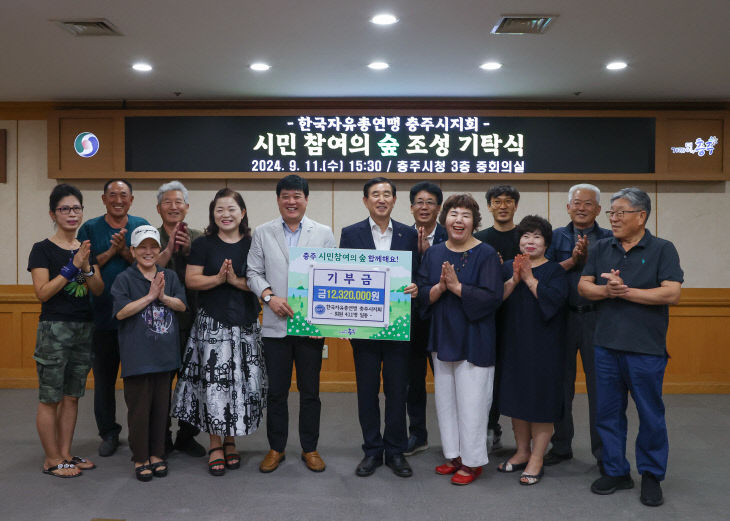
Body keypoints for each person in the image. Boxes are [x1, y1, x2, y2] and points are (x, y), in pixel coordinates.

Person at [578, 188, 683, 507]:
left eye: (620, 212)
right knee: (607, 413)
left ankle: (651, 475)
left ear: (641, 216)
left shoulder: (663, 249)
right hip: (606, 345)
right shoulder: (600, 247)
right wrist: (606, 291)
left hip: (646, 348)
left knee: (650, 414)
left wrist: (625, 292)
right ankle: (616, 470)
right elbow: (584, 286)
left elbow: (671, 294)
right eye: (611, 213)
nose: (614, 218)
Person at [171, 188, 267, 477]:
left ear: (243, 212)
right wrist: (217, 279)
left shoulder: (253, 243)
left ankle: (230, 440)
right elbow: (191, 280)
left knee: (238, 385)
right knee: (213, 386)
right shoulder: (203, 244)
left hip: (245, 325)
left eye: (231, 209)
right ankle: (214, 443)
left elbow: (262, 282)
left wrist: (235, 281)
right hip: (211, 325)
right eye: (219, 210)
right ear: (213, 214)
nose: (225, 215)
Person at [247, 175, 336, 473]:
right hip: (275, 324)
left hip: (311, 326)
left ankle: (310, 448)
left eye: (297, 196)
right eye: (286, 196)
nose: (291, 201)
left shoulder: (323, 232)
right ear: (278, 200)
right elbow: (252, 273)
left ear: (306, 200)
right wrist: (269, 296)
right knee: (277, 392)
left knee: (310, 391)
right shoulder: (263, 232)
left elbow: (332, 275)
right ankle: (276, 448)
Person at [416, 194, 502, 485]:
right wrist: (441, 287)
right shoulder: (434, 252)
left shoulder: (486, 253)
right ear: (445, 220)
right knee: (446, 401)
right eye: (453, 214)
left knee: (473, 403)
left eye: (465, 215)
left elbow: (492, 298)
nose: (459, 220)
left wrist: (457, 287)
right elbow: (424, 294)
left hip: (475, 338)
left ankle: (472, 461)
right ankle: (453, 455)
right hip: (443, 336)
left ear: (474, 222)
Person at [339, 177, 419, 478]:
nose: (381, 199)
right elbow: (343, 277)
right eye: (375, 194)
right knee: (367, 391)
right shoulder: (351, 233)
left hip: (399, 326)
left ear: (395, 201)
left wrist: (417, 287)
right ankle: (372, 451)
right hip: (364, 329)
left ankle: (396, 451)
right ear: (365, 201)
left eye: (387, 194)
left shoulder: (410, 235)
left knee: (398, 391)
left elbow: (421, 273)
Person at [29, 184, 104, 477]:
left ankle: (65, 453)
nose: (72, 214)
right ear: (53, 214)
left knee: (72, 396)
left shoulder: (85, 248)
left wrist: (85, 266)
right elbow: (43, 293)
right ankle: (51, 459)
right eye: (65, 209)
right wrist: (71, 267)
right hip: (54, 329)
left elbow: (97, 288)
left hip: (84, 327)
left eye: (76, 208)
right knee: (51, 397)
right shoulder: (42, 249)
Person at [77, 179, 150, 457]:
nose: (118, 200)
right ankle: (108, 432)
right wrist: (111, 251)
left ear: (131, 200)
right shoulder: (90, 228)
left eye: (124, 195)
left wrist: (125, 252)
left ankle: (138, 434)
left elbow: (149, 263)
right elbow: (85, 266)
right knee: (105, 381)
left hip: (137, 318)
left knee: (137, 381)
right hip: (102, 317)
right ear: (103, 199)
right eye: (113, 195)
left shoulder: (141, 224)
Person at [544, 184, 612, 470]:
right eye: (576, 203)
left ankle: (603, 453)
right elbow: (545, 273)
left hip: (598, 318)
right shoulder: (554, 237)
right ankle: (561, 446)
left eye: (588, 204)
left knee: (601, 388)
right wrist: (573, 260)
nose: (581, 208)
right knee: (560, 386)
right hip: (562, 318)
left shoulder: (609, 239)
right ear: (568, 207)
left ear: (598, 209)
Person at [497, 215, 568, 485]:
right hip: (513, 343)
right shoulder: (507, 267)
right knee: (517, 398)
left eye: (537, 236)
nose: (530, 241)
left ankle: (537, 458)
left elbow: (554, 303)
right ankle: (522, 451)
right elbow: (494, 301)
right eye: (526, 236)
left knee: (541, 401)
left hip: (545, 346)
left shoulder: (555, 271)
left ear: (546, 243)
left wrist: (528, 278)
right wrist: (514, 278)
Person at [112, 226, 187, 481]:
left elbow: (181, 305)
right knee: (139, 410)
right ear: (132, 251)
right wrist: (150, 296)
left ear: (159, 249)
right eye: (142, 247)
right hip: (138, 357)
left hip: (165, 356)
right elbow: (121, 312)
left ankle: (157, 454)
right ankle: (140, 457)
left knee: (160, 409)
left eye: (153, 246)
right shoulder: (125, 278)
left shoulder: (170, 276)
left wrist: (163, 296)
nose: (148, 252)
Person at [154, 181, 206, 458]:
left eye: (179, 202)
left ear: (187, 207)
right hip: (158, 322)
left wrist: (188, 252)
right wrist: (169, 248)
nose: (173, 207)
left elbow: (205, 276)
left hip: (194, 319)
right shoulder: (148, 236)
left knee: (192, 381)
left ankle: (187, 435)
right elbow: (145, 271)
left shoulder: (199, 237)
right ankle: (161, 437)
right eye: (167, 202)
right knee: (161, 382)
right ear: (158, 208)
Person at [473, 184, 521, 452]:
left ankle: (521, 435)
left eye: (508, 201)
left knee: (513, 375)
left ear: (515, 205)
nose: (503, 206)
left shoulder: (526, 236)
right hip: (487, 317)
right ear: (489, 206)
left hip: (520, 317)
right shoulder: (479, 239)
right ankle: (490, 427)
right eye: (497, 201)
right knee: (486, 376)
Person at [405, 181, 447, 456]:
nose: (424, 207)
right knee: (414, 382)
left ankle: (455, 440)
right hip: (410, 321)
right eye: (419, 202)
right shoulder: (400, 236)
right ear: (411, 208)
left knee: (448, 381)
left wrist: (427, 254)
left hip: (443, 320)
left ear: (439, 208)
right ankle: (418, 435)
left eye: (430, 202)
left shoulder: (452, 234)